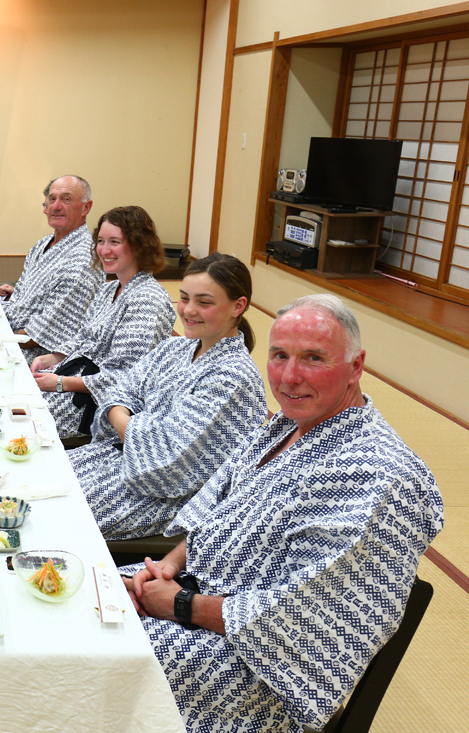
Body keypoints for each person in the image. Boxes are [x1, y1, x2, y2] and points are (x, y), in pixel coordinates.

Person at [123, 294, 444, 733]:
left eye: (314, 358)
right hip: (190, 594)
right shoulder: (287, 425)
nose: (290, 376)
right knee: (84, 594)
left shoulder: (381, 474)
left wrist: (180, 604)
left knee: (87, 653)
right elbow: (214, 512)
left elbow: (304, 618)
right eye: (279, 356)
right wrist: (166, 567)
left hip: (251, 670)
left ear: (355, 366)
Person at [68, 253, 266, 538]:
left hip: (163, 495)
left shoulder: (234, 377)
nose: (189, 310)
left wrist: (124, 419)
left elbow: (169, 459)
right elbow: (121, 390)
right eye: (184, 298)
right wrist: (137, 426)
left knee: (52, 511)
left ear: (238, 306)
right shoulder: (175, 348)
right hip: (117, 457)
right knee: (36, 478)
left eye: (204, 302)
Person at [31, 206, 176, 437]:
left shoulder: (148, 300)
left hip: (98, 404)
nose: (104, 250)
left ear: (139, 245)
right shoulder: (109, 289)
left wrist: (61, 383)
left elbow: (124, 376)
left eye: (114, 242)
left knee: (23, 421)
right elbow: (83, 337)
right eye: (100, 241)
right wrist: (52, 357)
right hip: (73, 381)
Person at [0, 175, 105, 363]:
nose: (56, 206)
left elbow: (38, 335)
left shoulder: (83, 263)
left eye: (66, 199)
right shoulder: (43, 244)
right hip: (9, 329)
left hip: (34, 356)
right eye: (52, 199)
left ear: (86, 208)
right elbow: (22, 295)